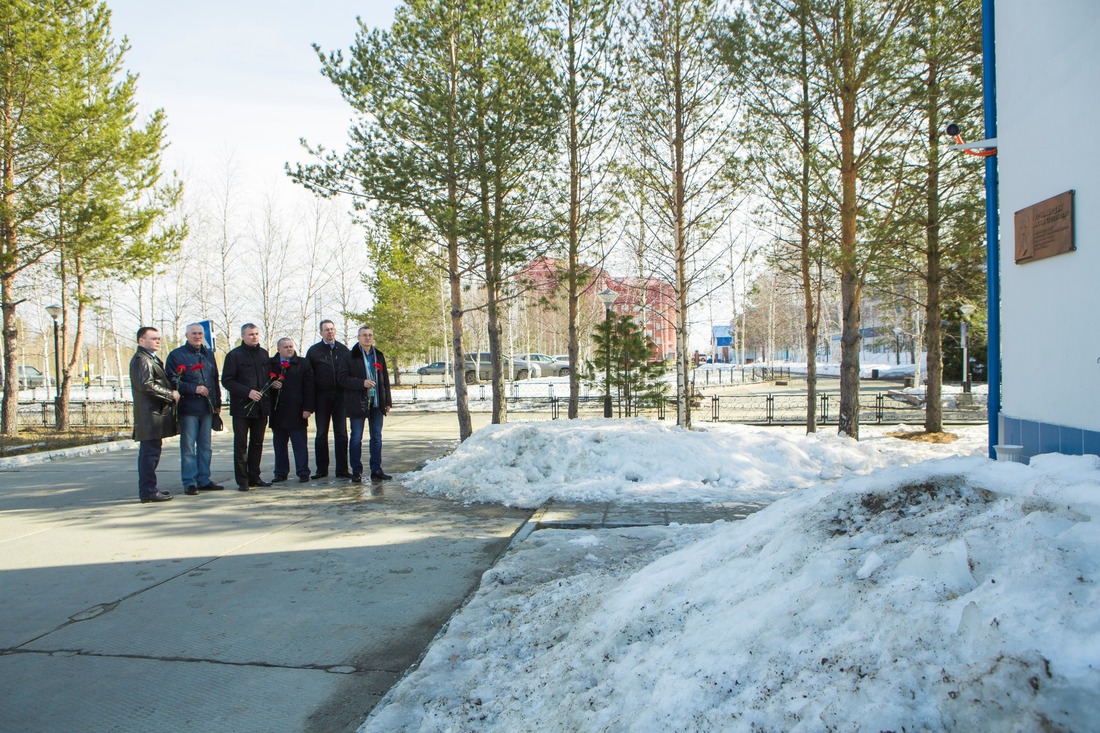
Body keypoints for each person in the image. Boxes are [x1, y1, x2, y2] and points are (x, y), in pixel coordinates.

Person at [165, 323, 224, 495]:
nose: (197, 336)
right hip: (189, 407)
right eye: (194, 333)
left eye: (200, 333)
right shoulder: (177, 355)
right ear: (186, 335)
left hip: (207, 408)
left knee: (206, 446)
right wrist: (193, 388)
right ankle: (189, 481)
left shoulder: (208, 354)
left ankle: (204, 479)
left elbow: (214, 380)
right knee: (189, 447)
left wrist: (217, 404)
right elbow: (171, 380)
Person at [129, 326, 180, 504]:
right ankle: (148, 491)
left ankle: (150, 488)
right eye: (153, 338)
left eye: (158, 338)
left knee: (152, 453)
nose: (157, 341)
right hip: (149, 414)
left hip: (154, 413)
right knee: (149, 455)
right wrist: (170, 394)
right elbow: (146, 385)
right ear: (141, 341)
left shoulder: (151, 358)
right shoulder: (142, 359)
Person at [337, 325, 392, 482]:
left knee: (376, 437)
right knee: (356, 438)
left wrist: (387, 401)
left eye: (370, 335)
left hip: (376, 402)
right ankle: (356, 470)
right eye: (364, 335)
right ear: (358, 338)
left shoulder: (378, 355)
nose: (367, 338)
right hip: (357, 402)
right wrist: (362, 383)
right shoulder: (350, 356)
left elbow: (385, 380)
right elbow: (342, 379)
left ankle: (376, 469)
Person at [221, 323, 273, 491]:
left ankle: (254, 477)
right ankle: (242, 480)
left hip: (260, 408)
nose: (254, 337)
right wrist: (247, 392)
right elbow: (227, 380)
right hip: (242, 408)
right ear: (243, 336)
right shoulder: (234, 356)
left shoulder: (264, 354)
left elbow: (267, 378)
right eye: (251, 334)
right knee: (241, 444)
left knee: (257, 443)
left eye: (257, 333)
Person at [305, 319, 351, 479]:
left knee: (341, 434)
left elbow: (349, 374)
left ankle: (342, 470)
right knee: (321, 434)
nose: (330, 332)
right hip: (322, 397)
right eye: (326, 330)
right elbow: (308, 378)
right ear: (321, 333)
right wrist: (309, 403)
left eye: (332, 329)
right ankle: (321, 470)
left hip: (340, 397)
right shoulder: (314, 351)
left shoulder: (344, 350)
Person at [268, 337, 315, 483]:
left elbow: (309, 387)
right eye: (286, 347)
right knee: (280, 445)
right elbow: (263, 383)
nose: (289, 349)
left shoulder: (303, 363)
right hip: (278, 412)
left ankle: (303, 472)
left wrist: (308, 408)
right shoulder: (271, 364)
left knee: (300, 444)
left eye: (291, 346)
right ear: (279, 349)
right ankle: (281, 472)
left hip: (297, 411)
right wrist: (271, 384)